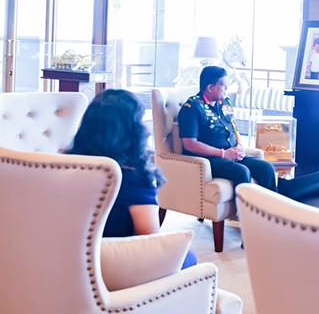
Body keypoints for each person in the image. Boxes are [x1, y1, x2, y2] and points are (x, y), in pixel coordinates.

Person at [68, 89, 197, 270]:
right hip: (115, 266)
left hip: (69, 258)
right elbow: (149, 240)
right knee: (189, 257)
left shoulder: (62, 166)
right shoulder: (134, 179)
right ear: (133, 130)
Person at [178, 65, 277, 192]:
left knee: (266, 168)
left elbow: (233, 129)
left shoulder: (224, 103)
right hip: (210, 159)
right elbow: (189, 144)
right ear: (210, 87)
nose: (227, 88)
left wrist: (239, 146)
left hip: (231, 154)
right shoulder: (192, 107)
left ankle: (269, 204)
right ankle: (242, 206)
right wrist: (223, 154)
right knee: (242, 172)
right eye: (223, 85)